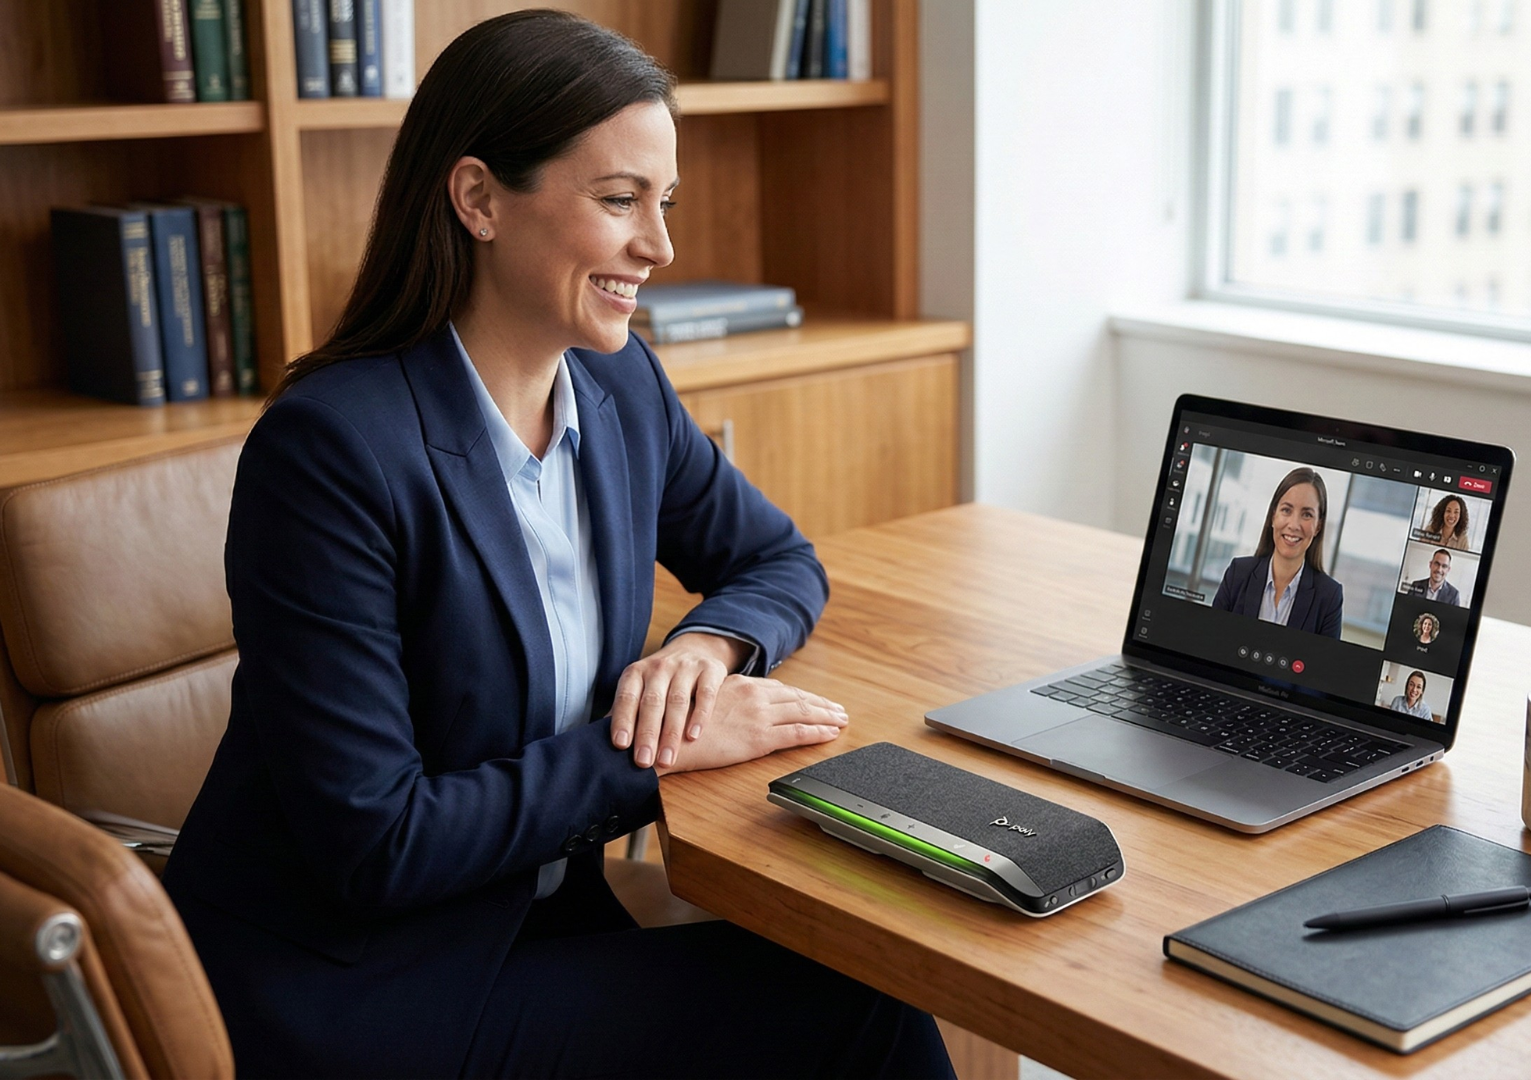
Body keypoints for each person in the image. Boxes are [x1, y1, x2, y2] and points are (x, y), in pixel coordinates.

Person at [159, 14, 953, 1079]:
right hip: (361, 988)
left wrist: (700, 656)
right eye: (620, 201)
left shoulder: (619, 388)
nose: (660, 248)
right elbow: (376, 843)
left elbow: (778, 560)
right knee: (860, 1016)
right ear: (479, 198)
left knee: (861, 979)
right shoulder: (332, 454)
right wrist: (657, 750)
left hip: (532, 918)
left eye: (662, 204)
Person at [1211, 467, 1344, 638]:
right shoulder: (1238, 573)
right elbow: (1211, 641)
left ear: (1318, 526)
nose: (1294, 525)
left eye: (1306, 514)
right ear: (1274, 515)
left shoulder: (1329, 597)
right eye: (1286, 510)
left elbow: (1325, 664)